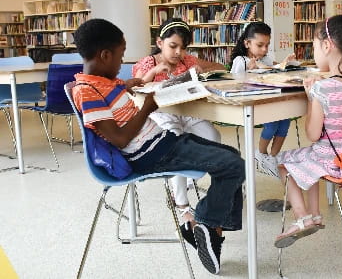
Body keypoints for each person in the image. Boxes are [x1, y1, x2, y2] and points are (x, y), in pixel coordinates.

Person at [72, 18, 245, 275]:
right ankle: (207, 224)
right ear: (105, 55)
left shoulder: (103, 82)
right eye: (120, 57)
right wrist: (148, 108)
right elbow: (119, 138)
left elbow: (118, 88)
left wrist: (129, 84)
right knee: (234, 166)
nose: (122, 63)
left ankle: (206, 229)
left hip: (161, 143)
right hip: (150, 154)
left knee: (231, 156)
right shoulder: (87, 91)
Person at [274, 13, 342, 248]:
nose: (314, 51)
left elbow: (313, 134)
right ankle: (315, 215)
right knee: (309, 160)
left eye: (314, 46)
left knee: (284, 162)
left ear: (327, 46)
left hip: (331, 159)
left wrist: (310, 98)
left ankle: (302, 218)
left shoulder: (323, 89)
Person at [133, 18, 221, 225]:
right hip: (160, 115)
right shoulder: (149, 62)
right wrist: (153, 73)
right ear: (160, 42)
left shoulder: (187, 61)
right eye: (173, 46)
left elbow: (218, 67)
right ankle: (181, 204)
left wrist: (202, 73)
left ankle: (187, 180)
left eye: (182, 48)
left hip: (186, 112)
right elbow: (135, 89)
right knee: (177, 144)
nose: (178, 52)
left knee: (213, 137)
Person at [230, 22, 296, 176]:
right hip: (250, 104)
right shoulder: (240, 61)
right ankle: (260, 153)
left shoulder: (265, 59)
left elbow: (275, 68)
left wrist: (285, 63)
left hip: (268, 101)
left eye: (267, 45)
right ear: (247, 43)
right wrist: (247, 72)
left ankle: (272, 157)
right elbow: (231, 83)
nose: (264, 50)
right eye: (260, 45)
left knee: (285, 121)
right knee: (272, 124)